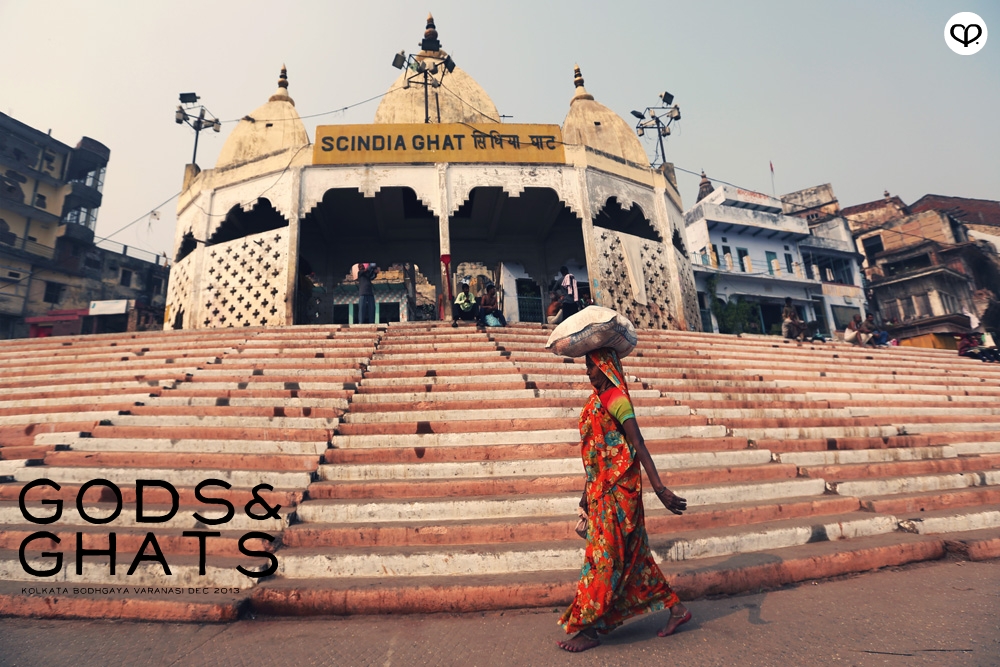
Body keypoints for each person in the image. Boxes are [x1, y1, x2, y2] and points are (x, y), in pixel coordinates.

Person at [557, 348, 691, 653]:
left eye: (592, 367)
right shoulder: (594, 401)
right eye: (587, 367)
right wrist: (585, 497)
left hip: (620, 495)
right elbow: (596, 456)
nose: (588, 373)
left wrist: (660, 490)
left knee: (603, 561)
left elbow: (638, 444)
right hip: (600, 493)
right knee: (635, 559)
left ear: (605, 367)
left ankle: (589, 628)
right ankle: (678, 610)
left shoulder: (617, 399)